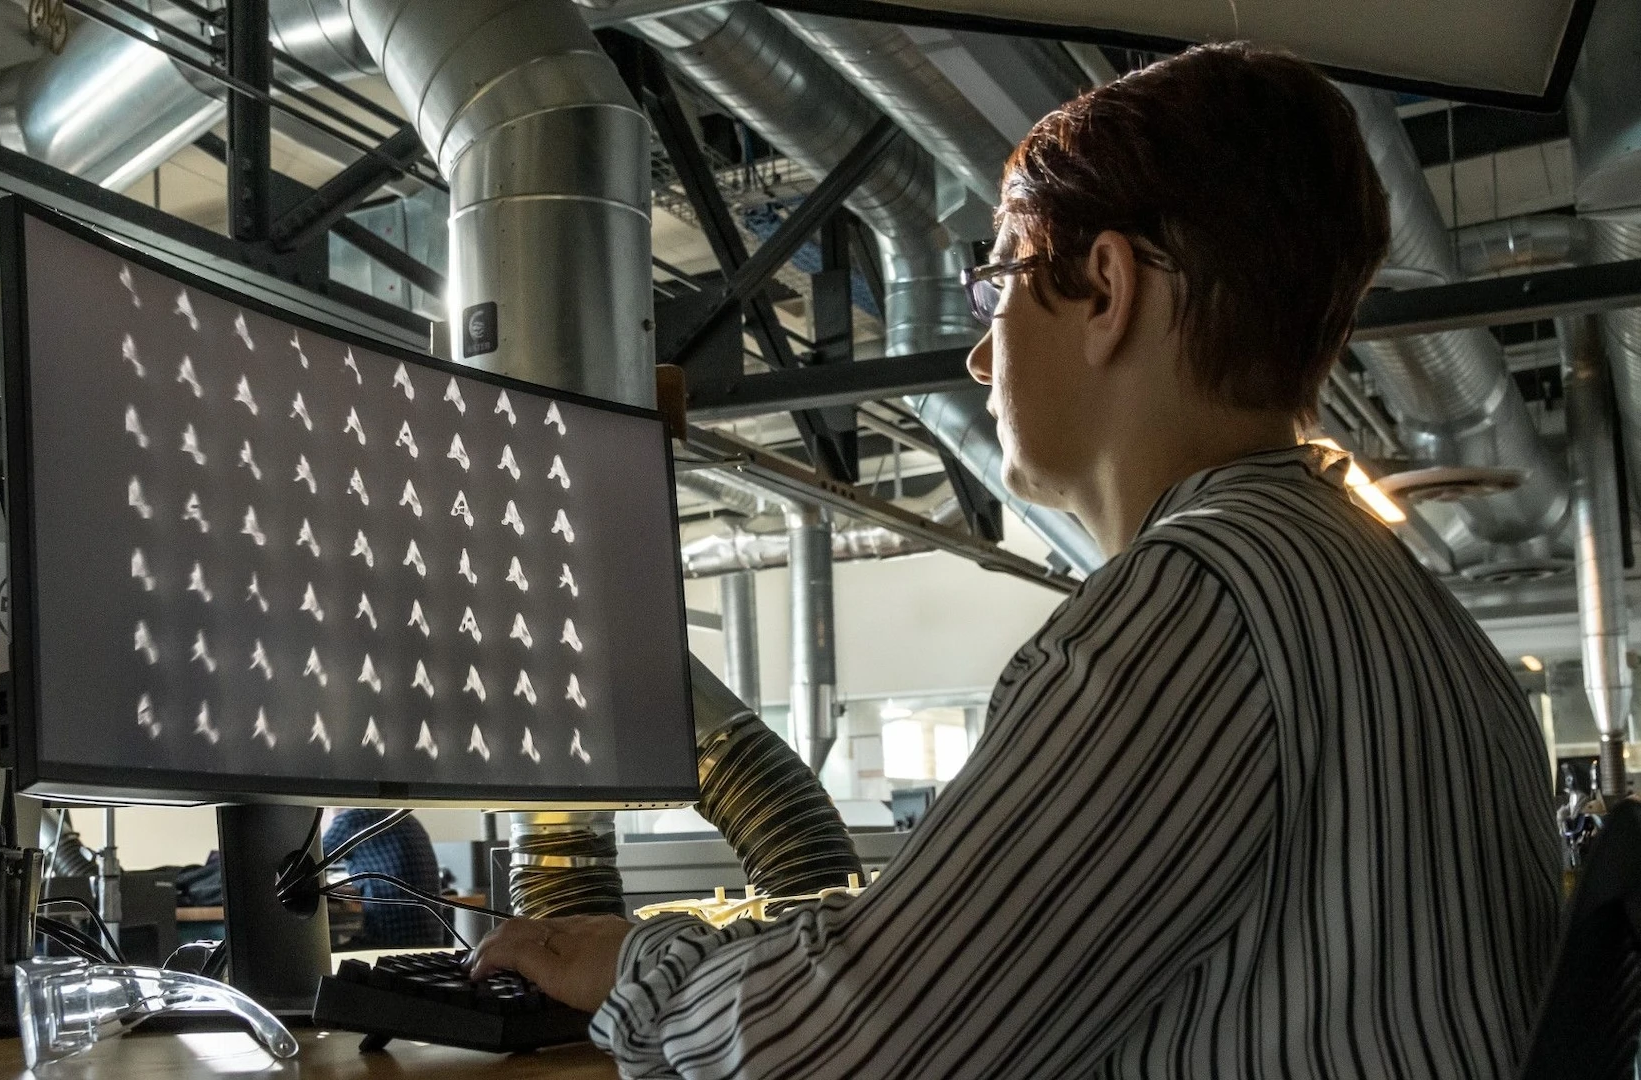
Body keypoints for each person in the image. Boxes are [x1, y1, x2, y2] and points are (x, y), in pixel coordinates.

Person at [469, 42, 1562, 1078]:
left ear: (1107, 287)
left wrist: (629, 962)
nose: (981, 349)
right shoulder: (1402, 606)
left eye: (998, 282)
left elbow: (841, 1051)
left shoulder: (1194, 608)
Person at [323, 808, 451, 948]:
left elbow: (306, 864)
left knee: (313, 960)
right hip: (430, 945)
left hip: (388, 944)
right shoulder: (406, 817)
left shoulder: (351, 820)